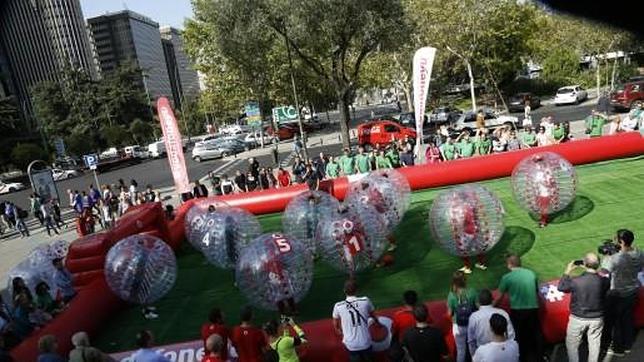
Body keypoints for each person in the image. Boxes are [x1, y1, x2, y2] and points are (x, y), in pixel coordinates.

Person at [557, 253, 609, 362]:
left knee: (572, 344)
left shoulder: (576, 281)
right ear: (598, 264)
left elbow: (561, 287)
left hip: (578, 318)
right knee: (594, 343)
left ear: (584, 264)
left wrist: (567, 271)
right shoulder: (604, 281)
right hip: (597, 318)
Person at [600, 229, 644, 356]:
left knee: (616, 321)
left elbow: (604, 271)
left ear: (622, 241)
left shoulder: (616, 259)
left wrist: (608, 255)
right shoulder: (640, 253)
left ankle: (618, 348)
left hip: (617, 293)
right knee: (627, 319)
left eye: (616, 239)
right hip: (632, 291)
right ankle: (627, 345)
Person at [493, 254, 542, 362]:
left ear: (509, 264)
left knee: (518, 335)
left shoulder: (507, 277)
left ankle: (521, 357)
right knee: (535, 333)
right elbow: (536, 291)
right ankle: (539, 356)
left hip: (518, 311)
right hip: (533, 309)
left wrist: (489, 307)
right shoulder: (531, 273)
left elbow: (499, 297)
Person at [332, 280, 379, 361]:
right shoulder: (365, 300)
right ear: (357, 290)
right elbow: (374, 316)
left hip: (351, 344)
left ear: (344, 290)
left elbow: (335, 325)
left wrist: (340, 331)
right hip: (365, 342)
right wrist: (377, 322)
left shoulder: (338, 306)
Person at [467, 289, 515, 356]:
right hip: (502, 352)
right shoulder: (503, 313)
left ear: (479, 302)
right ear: (492, 300)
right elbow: (511, 336)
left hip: (483, 354)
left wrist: (474, 356)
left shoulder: (474, 317)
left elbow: (471, 341)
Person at [447, 270, 478, 362]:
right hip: (471, 324)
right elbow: (478, 306)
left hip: (458, 325)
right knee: (473, 350)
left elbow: (449, 313)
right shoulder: (472, 291)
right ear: (465, 280)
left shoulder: (451, 295)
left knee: (461, 351)